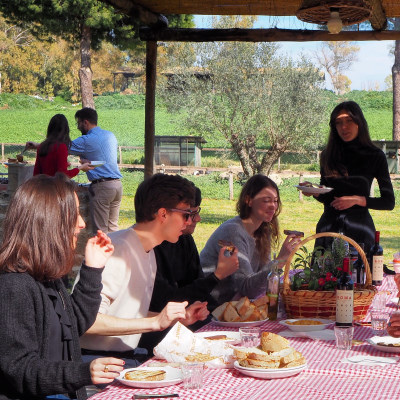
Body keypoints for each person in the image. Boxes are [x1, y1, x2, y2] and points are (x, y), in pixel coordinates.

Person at [0, 174, 124, 400]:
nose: (82, 223)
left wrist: (93, 269)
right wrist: (83, 372)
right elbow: (18, 369)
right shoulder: (13, 286)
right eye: (74, 213)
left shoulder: (48, 278)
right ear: (50, 220)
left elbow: (73, 326)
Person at [78, 173, 209, 367]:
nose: (189, 222)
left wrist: (175, 319)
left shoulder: (147, 250)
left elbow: (128, 315)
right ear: (163, 214)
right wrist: (155, 322)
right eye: (186, 215)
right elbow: (88, 321)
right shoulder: (117, 250)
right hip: (96, 364)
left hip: (123, 359)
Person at [138, 185, 239, 355]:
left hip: (184, 323)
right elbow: (167, 301)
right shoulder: (150, 247)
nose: (196, 219)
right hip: (156, 338)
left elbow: (195, 291)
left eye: (195, 213)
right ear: (163, 214)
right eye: (189, 214)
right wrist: (217, 275)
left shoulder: (184, 240)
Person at [301, 101, 395, 252]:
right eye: (338, 123)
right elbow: (328, 195)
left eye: (349, 121)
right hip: (328, 229)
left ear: (359, 122)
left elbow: (388, 202)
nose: (344, 127)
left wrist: (357, 200)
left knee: (361, 275)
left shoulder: (375, 155)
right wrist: (315, 192)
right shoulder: (328, 155)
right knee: (323, 275)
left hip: (360, 230)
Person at [200, 174, 302, 305]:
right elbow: (248, 288)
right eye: (266, 200)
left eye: (275, 201)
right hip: (212, 308)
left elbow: (261, 281)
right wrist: (280, 260)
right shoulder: (233, 232)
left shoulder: (264, 230)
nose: (273, 206)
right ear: (248, 200)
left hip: (238, 304)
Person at [69, 107, 123, 234]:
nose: (78, 127)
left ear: (85, 122)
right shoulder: (110, 135)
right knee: (113, 229)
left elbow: (60, 147)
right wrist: (91, 162)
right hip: (117, 186)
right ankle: (115, 253)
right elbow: (105, 159)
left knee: (100, 232)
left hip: (102, 187)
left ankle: (99, 254)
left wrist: (38, 146)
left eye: (79, 123)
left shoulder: (85, 140)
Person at [27, 114, 92, 178]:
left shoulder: (42, 146)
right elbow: (63, 175)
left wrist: (64, 164)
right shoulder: (61, 147)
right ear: (65, 130)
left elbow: (36, 173)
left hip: (42, 186)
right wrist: (80, 168)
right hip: (55, 187)